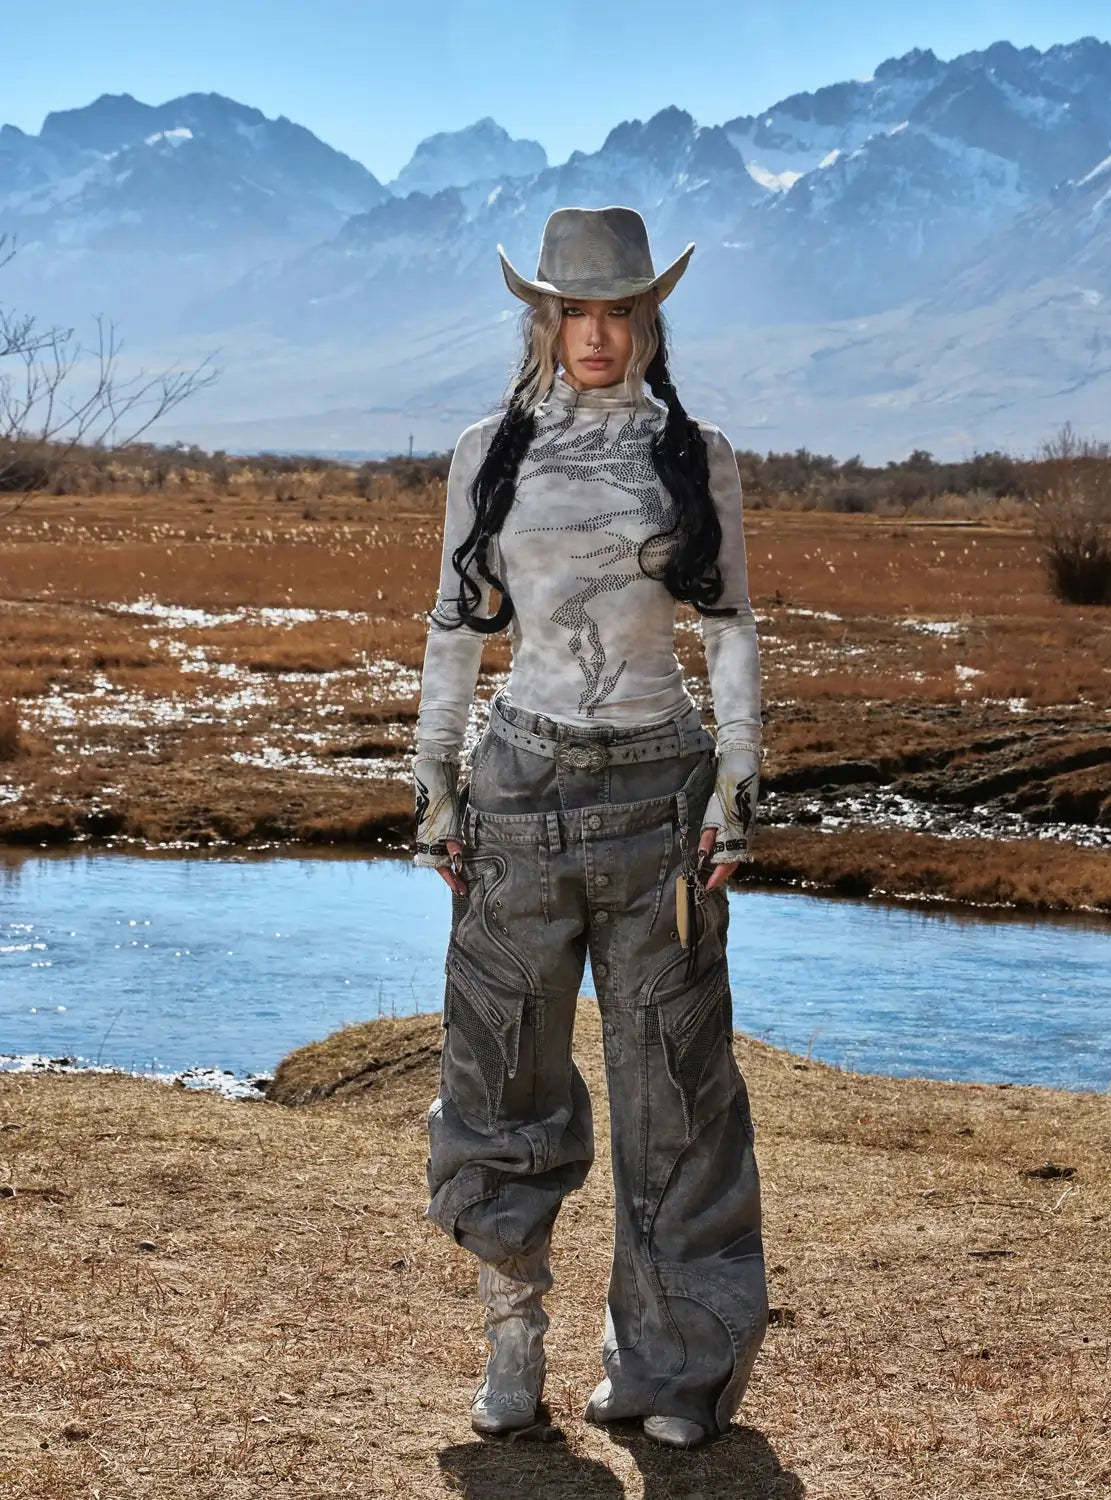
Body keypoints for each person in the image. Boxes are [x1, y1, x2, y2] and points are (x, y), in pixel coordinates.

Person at [411, 204, 767, 1450]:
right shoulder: (487, 452)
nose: (598, 333)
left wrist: (739, 774)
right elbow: (454, 624)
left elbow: (731, 622)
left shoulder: (696, 454)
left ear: (649, 320)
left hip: (661, 798)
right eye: (577, 311)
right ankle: (513, 1345)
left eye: (620, 311)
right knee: (502, 1071)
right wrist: (433, 778)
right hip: (519, 791)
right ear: (545, 320)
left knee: (676, 1091)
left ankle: (670, 1368)